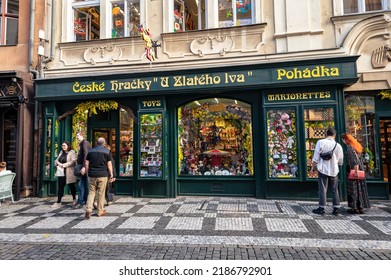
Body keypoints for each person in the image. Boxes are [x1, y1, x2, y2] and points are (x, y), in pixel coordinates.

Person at [310, 127, 344, 216]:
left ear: (326, 134)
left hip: (323, 169)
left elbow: (316, 156)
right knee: (334, 189)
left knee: (322, 189)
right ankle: (336, 208)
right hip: (334, 170)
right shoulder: (338, 145)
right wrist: (336, 164)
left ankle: (322, 208)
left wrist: (312, 167)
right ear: (334, 135)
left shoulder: (321, 142)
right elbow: (341, 160)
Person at [84, 137, 114, 219]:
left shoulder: (90, 151)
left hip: (92, 175)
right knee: (101, 193)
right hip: (102, 175)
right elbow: (109, 164)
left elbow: (86, 164)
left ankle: (88, 209)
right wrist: (111, 174)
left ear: (96, 143)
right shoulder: (107, 152)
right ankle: (100, 211)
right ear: (104, 143)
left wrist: (87, 173)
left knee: (91, 192)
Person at [341, 133, 370, 214]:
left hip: (354, 171)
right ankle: (360, 207)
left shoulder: (350, 148)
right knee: (359, 189)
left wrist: (356, 172)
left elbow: (354, 161)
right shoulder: (357, 146)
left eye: (343, 140)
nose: (343, 141)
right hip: (360, 170)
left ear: (346, 140)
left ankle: (355, 208)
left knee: (353, 190)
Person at [52, 142, 77, 208]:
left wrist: (63, 165)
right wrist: (57, 163)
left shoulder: (72, 152)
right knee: (60, 187)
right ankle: (58, 201)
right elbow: (57, 160)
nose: (63, 146)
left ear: (68, 146)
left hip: (69, 172)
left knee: (71, 186)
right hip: (61, 173)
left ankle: (74, 199)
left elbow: (73, 162)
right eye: (62, 145)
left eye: (64, 145)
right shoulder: (61, 152)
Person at [74, 131, 91, 209]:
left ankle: (82, 201)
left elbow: (86, 156)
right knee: (82, 184)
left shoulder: (84, 143)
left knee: (82, 184)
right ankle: (83, 200)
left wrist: (84, 167)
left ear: (82, 135)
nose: (77, 137)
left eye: (77, 136)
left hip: (84, 167)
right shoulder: (83, 144)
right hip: (84, 167)